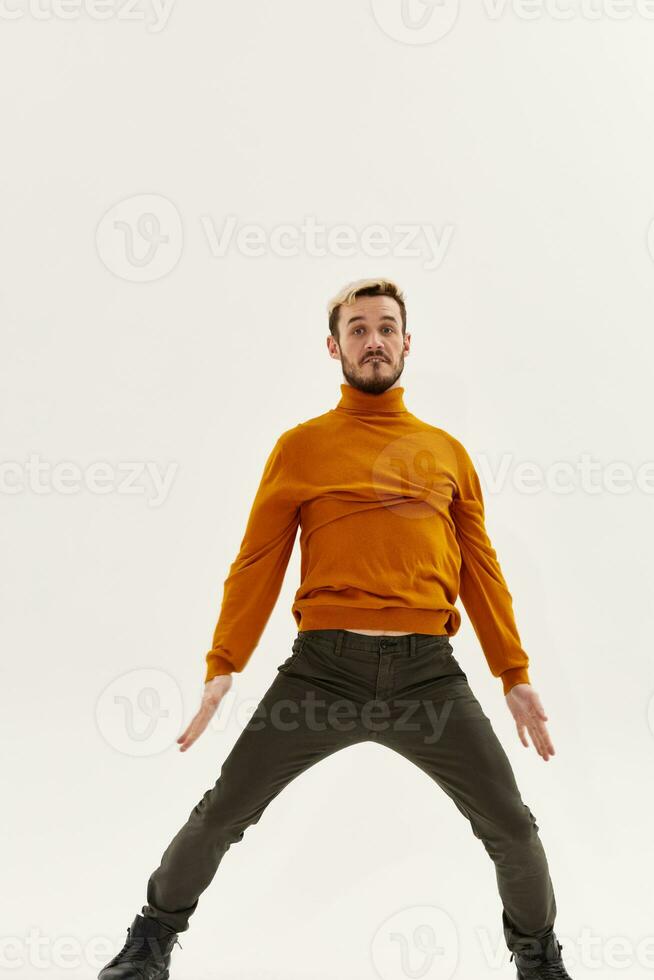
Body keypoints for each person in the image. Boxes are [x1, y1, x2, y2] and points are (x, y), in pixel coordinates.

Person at [98, 278, 572, 980]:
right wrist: (223, 663)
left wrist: (515, 675)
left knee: (512, 827)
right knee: (223, 812)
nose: (373, 340)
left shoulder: (447, 453)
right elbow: (258, 561)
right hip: (322, 672)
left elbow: (482, 571)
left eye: (386, 327)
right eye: (357, 329)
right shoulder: (301, 448)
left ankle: (539, 962)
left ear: (408, 343)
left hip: (428, 679)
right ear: (334, 347)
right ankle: (150, 944)